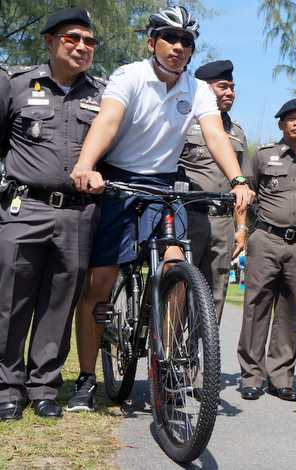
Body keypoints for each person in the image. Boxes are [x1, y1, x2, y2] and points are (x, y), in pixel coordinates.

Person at [67, 5, 254, 412]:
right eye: (170, 38)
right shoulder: (129, 76)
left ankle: (166, 365)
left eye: (187, 41)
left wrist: (238, 179)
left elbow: (215, 135)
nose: (179, 47)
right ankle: (85, 378)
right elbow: (109, 121)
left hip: (166, 186)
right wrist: (85, 165)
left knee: (177, 272)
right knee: (99, 284)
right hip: (117, 179)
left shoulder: (197, 89)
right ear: (152, 42)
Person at [0, 7, 104, 420]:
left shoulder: (101, 95)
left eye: (89, 41)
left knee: (60, 302)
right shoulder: (17, 85)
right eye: (71, 38)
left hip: (77, 215)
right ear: (49, 41)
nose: (81, 47)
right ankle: (7, 388)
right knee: (11, 299)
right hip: (24, 208)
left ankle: (43, 386)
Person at [236, 98, 296, 402]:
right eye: (292, 119)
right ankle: (251, 376)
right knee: (256, 306)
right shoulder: (263, 156)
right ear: (281, 124)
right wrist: (241, 230)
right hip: (266, 239)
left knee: (289, 310)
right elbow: (245, 193)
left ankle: (282, 377)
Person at [179, 59, 248, 323]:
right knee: (179, 287)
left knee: (215, 293)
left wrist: (241, 229)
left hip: (222, 224)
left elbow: (241, 186)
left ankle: (203, 360)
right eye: (223, 87)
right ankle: (167, 357)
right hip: (189, 216)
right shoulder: (184, 122)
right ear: (205, 90)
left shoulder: (237, 132)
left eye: (232, 87)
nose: (230, 92)